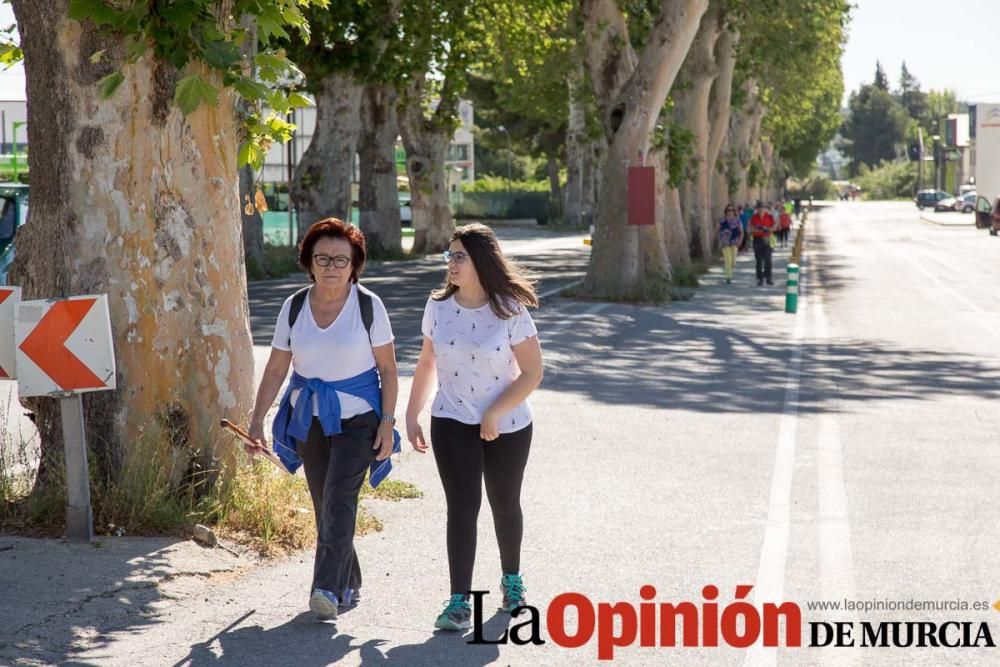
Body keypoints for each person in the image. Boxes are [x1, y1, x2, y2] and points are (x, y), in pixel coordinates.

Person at [247, 218, 399, 621]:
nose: (332, 266)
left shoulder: (369, 306)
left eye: (341, 259)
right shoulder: (294, 306)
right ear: (309, 263)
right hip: (308, 419)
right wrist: (256, 419)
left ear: (354, 266)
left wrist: (387, 421)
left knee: (338, 497)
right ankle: (350, 578)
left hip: (359, 420)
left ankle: (326, 589)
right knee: (323, 504)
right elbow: (277, 368)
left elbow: (388, 369)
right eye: (323, 258)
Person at [405, 223, 544, 631]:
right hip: (451, 420)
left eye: (459, 256)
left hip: (509, 424)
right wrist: (411, 414)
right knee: (462, 509)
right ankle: (458, 601)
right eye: (449, 255)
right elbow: (427, 363)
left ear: (481, 260)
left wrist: (495, 413)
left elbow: (532, 372)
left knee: (504, 503)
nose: (451, 263)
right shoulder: (438, 307)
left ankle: (512, 581)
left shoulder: (509, 309)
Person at [749, 200, 775, 286]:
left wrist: (768, 229)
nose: (761, 209)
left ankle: (768, 278)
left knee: (768, 260)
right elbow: (750, 229)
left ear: (765, 209)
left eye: (762, 208)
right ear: (757, 209)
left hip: (767, 239)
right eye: (759, 208)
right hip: (757, 240)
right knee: (759, 261)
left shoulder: (769, 217)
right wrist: (760, 230)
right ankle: (760, 278)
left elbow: (775, 227)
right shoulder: (754, 217)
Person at [718, 204, 744, 283]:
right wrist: (718, 241)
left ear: (734, 212)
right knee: (728, 259)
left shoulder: (737, 220)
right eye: (728, 210)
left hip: (734, 242)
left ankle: (728, 270)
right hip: (725, 243)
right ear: (726, 211)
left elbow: (742, 232)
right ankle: (728, 277)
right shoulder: (722, 220)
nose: (730, 212)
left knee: (733, 261)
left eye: (732, 210)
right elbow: (717, 230)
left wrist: (740, 241)